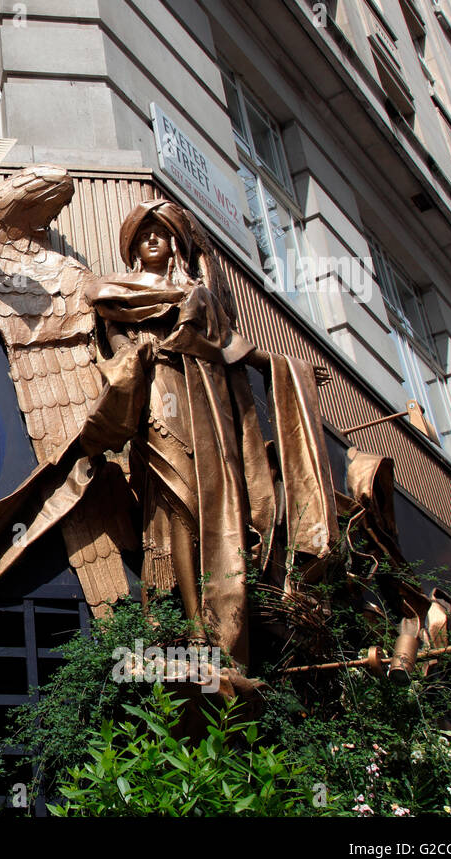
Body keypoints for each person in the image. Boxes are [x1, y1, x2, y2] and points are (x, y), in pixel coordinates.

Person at [85, 199, 334, 667]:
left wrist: (287, 367)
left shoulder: (199, 295)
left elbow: (230, 349)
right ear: (133, 246)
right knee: (182, 501)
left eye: (160, 232)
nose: (151, 239)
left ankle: (208, 619)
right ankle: (195, 625)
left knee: (210, 502)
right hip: (158, 391)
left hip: (202, 399)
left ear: (176, 241)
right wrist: (132, 352)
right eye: (142, 234)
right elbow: (116, 343)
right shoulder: (116, 290)